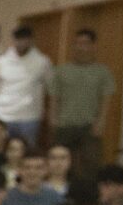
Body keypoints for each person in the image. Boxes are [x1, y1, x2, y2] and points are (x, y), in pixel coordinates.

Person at [49, 30, 116, 185]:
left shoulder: (102, 72)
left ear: (93, 46)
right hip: (64, 125)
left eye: (85, 43)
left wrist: (101, 122)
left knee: (92, 165)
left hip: (89, 126)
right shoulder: (61, 71)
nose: (81, 47)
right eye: (78, 43)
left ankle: (88, 198)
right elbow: (54, 97)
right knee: (60, 164)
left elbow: (106, 99)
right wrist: (53, 119)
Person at [0, 24, 55, 146]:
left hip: (29, 118)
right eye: (18, 38)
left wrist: (50, 114)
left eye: (25, 38)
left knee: (27, 151)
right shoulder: (1, 61)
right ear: (13, 40)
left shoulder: (42, 62)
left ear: (31, 40)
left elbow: (52, 89)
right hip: (2, 116)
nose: (21, 42)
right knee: (0, 150)